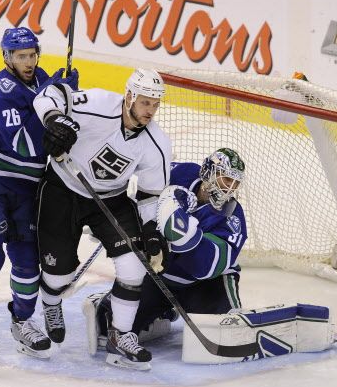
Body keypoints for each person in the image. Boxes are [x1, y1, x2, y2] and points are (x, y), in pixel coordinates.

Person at [0, 27, 78, 374]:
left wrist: (66, 98)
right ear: (6, 57)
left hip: (22, 188)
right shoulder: (1, 92)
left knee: (26, 259)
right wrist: (54, 112)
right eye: (20, 56)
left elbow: (54, 112)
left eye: (32, 54)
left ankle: (22, 323)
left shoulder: (40, 82)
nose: (27, 61)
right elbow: (23, 145)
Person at [32, 68, 172, 370]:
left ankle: (120, 336)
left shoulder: (156, 143)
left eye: (155, 104)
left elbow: (149, 195)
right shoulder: (96, 103)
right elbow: (48, 95)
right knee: (58, 276)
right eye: (146, 102)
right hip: (63, 187)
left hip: (111, 198)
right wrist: (55, 120)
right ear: (130, 96)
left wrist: (150, 229)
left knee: (134, 266)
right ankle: (52, 303)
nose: (150, 111)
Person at [83, 148, 247, 362]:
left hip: (206, 284)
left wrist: (181, 235)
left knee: (226, 333)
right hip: (161, 275)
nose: (230, 188)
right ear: (209, 171)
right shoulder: (179, 174)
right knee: (109, 327)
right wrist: (119, 225)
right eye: (226, 179)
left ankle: (201, 309)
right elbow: (142, 195)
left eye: (235, 183)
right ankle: (162, 311)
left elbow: (208, 267)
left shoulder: (232, 215)